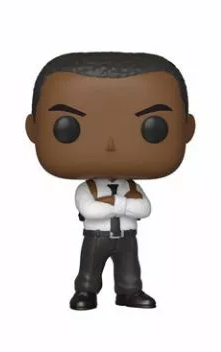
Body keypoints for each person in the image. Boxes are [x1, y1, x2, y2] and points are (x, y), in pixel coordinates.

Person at [25, 52, 195, 310]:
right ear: (33, 129)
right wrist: (124, 205)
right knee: (90, 267)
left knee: (130, 267)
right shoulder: (89, 189)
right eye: (68, 127)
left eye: (153, 127)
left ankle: (129, 292)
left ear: (187, 129)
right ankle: (85, 292)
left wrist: (112, 204)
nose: (110, 145)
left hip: (126, 236)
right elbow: (90, 209)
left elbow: (145, 209)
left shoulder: (132, 187)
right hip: (96, 236)